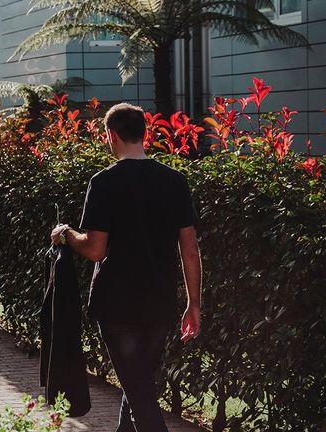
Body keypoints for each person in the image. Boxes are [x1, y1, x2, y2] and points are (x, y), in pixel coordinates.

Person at [50, 103, 202, 432]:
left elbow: (94, 249)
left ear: (112, 136)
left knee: (140, 394)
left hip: (116, 306)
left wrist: (66, 235)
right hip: (160, 305)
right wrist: (193, 304)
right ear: (144, 134)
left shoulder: (104, 181)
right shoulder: (175, 180)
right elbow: (190, 249)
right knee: (138, 386)